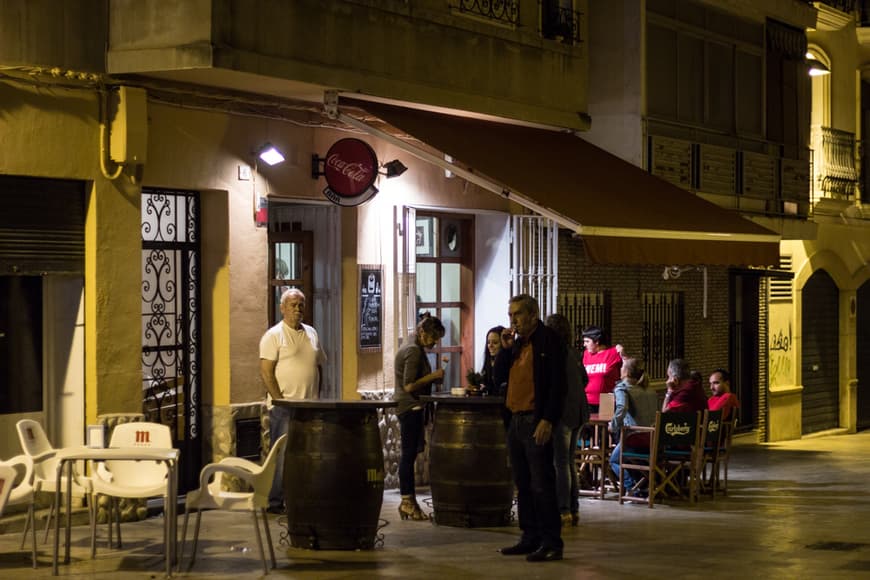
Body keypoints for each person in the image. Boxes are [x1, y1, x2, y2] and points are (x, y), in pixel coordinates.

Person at [494, 294, 565, 562]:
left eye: (517, 315)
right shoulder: (517, 344)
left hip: (536, 421)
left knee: (541, 484)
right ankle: (530, 536)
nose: (512, 320)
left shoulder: (549, 341)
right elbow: (499, 377)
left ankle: (551, 542)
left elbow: (558, 386)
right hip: (515, 419)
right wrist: (504, 349)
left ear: (533, 315)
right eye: (510, 315)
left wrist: (548, 419)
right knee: (523, 483)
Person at [259, 288, 326, 514]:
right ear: (282, 308)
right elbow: (266, 372)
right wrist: (280, 401)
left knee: (307, 454)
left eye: (301, 305)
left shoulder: (312, 333)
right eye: (293, 305)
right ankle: (275, 501)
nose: (297, 309)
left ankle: (301, 498)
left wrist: (318, 396)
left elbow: (318, 366)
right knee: (283, 455)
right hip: (285, 407)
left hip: (310, 406)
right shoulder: (273, 336)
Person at [394, 312, 446, 521]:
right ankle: (407, 500)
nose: (434, 342)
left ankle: (409, 501)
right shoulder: (414, 351)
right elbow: (408, 385)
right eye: (433, 337)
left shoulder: (414, 347)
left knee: (410, 454)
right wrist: (432, 376)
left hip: (412, 407)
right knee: (408, 455)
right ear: (422, 332)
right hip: (410, 408)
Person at [545, 313, 589, 528]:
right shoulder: (573, 353)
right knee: (570, 462)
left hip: (563, 413)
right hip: (579, 412)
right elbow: (585, 379)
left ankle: (563, 510)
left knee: (561, 463)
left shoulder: (556, 354)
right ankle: (573, 508)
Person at [608, 358, 658, 495]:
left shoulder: (623, 388)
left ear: (627, 372)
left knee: (614, 460)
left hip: (635, 436)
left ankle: (633, 488)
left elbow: (622, 407)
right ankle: (645, 484)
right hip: (654, 438)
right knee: (633, 459)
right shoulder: (649, 389)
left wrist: (613, 425)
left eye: (622, 366)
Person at [581, 326, 623, 413]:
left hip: (606, 400)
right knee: (588, 425)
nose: (584, 344)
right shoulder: (586, 355)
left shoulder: (613, 353)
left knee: (604, 425)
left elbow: (628, 370)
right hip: (587, 400)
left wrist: (624, 355)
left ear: (597, 341)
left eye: (587, 341)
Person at [480, 325, 506, 395]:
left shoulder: (508, 364)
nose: (490, 346)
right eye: (488, 342)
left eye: (495, 343)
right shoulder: (488, 362)